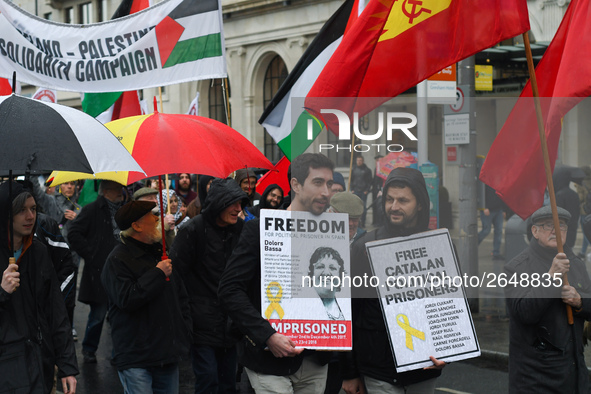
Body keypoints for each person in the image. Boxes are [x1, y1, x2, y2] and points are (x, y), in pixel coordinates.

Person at [219, 153, 335, 393]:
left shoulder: (332, 232)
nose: (326, 191)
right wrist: (268, 336)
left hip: (315, 360)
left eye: (329, 184)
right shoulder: (259, 229)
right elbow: (230, 290)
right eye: (318, 182)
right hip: (269, 361)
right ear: (296, 185)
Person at [343, 167, 445, 394]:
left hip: (424, 366)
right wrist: (349, 372)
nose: (394, 206)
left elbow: (450, 305)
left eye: (402, 200)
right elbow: (348, 311)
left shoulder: (439, 246)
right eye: (389, 199)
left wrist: (449, 352)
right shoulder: (364, 246)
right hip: (379, 369)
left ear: (420, 204)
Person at [101, 200, 192, 394]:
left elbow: (180, 298)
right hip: (136, 357)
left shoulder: (162, 254)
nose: (158, 219)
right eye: (152, 215)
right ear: (136, 225)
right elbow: (127, 298)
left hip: (167, 354)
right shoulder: (117, 260)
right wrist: (157, 274)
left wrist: (185, 330)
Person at [170, 178, 249, 393]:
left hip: (231, 323)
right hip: (201, 323)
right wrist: (185, 315)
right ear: (219, 203)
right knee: (208, 380)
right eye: (233, 203)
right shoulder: (193, 230)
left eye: (241, 203)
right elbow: (176, 274)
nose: (238, 209)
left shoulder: (241, 229)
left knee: (228, 383)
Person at [0, 181, 78, 393]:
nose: (30, 216)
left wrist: (67, 366)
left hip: (39, 360)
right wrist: (2, 292)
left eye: (33, 209)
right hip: (6, 369)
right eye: (21, 210)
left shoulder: (39, 252)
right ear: (6, 213)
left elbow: (56, 311)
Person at [504, 206, 591, 393]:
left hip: (575, 377)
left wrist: (580, 302)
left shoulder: (576, 264)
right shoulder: (516, 268)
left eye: (562, 226)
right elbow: (523, 313)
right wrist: (550, 278)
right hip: (536, 380)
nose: (556, 231)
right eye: (548, 226)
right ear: (534, 231)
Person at [67, 180, 125, 364]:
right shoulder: (92, 209)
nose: (121, 193)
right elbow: (74, 233)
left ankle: (119, 352)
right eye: (117, 189)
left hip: (121, 269)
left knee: (120, 315)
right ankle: (89, 349)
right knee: (98, 314)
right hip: (100, 271)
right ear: (107, 191)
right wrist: (91, 255)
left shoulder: (123, 209)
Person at [308, 246, 346, 320]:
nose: (326, 273)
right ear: (312, 273)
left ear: (340, 275)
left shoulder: (347, 306)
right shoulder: (302, 307)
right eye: (320, 267)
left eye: (332, 268)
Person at [478, 185, 506, 260]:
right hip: (487, 210)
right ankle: (472, 247)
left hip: (498, 210)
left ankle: (496, 253)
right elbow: (480, 193)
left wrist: (504, 210)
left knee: (498, 231)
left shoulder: (499, 180)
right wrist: (484, 207)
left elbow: (502, 194)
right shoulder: (484, 181)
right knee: (486, 231)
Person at [350, 155, 372, 227]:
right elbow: (351, 180)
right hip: (355, 190)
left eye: (360, 160)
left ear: (363, 161)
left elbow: (369, 181)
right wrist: (352, 189)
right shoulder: (353, 169)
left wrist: (366, 190)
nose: (359, 162)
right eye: (357, 160)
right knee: (355, 207)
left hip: (363, 191)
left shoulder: (367, 170)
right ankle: (357, 222)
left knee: (363, 208)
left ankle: (363, 222)